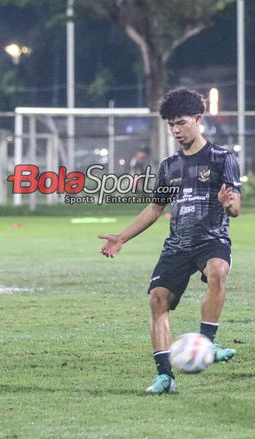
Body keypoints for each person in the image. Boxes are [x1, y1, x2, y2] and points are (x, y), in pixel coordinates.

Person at [98, 87, 242, 395]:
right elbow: (155, 209)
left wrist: (227, 203)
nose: (176, 130)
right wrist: (122, 237)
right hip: (178, 244)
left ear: (198, 119)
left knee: (218, 271)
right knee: (157, 300)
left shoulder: (222, 159)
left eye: (181, 123)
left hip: (211, 239)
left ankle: (208, 344)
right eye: (171, 125)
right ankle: (165, 377)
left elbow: (236, 207)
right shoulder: (169, 166)